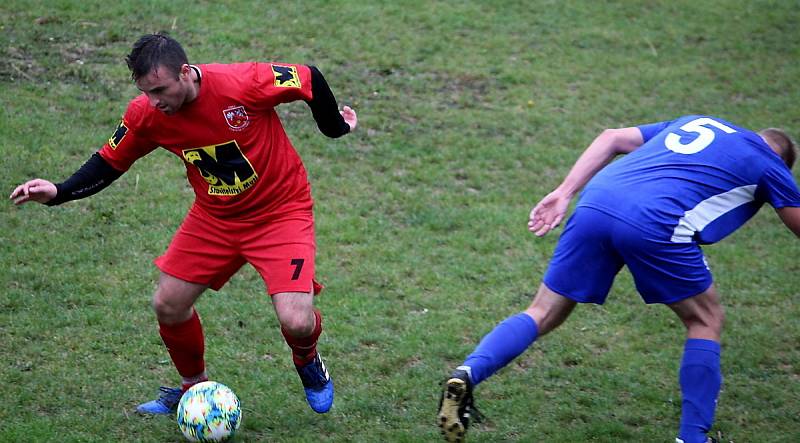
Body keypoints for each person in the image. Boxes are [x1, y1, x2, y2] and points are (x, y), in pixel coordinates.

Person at [10, 33, 357, 415]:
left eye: (161, 89)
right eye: (147, 92)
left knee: (297, 321)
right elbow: (109, 162)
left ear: (187, 73)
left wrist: (334, 126)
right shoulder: (147, 114)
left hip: (280, 214)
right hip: (215, 220)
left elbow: (307, 77)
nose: (155, 101)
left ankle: (307, 360)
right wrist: (60, 191)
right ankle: (193, 387)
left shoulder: (243, 82)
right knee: (168, 305)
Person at [437, 115, 800, 443]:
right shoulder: (771, 165)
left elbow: (611, 137)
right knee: (705, 319)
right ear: (783, 163)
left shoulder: (700, 122)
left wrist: (564, 193)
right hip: (657, 221)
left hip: (599, 200)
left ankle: (467, 374)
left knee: (544, 310)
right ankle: (693, 438)